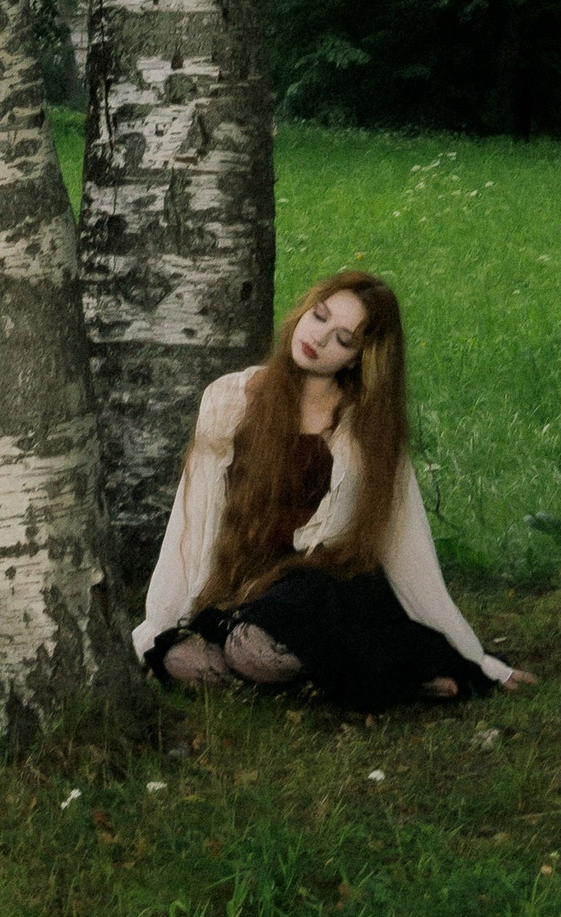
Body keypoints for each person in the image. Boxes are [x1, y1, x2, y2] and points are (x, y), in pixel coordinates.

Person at [135, 269, 529, 707]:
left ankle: (399, 666)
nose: (319, 339)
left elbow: (407, 546)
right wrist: (160, 622)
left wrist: (476, 657)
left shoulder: (365, 426)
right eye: (319, 316)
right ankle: (361, 676)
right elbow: (191, 523)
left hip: (324, 590)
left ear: (358, 359)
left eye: (343, 339)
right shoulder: (229, 398)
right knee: (186, 659)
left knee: (253, 650)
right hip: (247, 592)